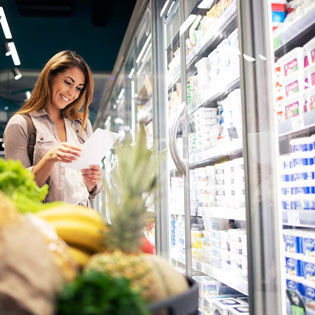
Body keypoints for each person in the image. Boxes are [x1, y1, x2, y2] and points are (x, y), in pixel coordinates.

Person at [4, 50, 102, 207]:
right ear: (50, 77)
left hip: (83, 220)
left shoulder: (81, 125)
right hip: (45, 225)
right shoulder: (21, 124)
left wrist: (92, 182)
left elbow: (91, 191)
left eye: (79, 88)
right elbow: (18, 191)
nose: (71, 93)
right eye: (68, 82)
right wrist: (50, 158)